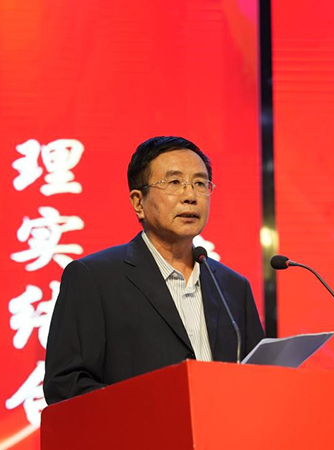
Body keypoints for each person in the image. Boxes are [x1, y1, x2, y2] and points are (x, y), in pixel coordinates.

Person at [43, 136, 264, 404]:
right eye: (174, 182)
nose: (190, 196)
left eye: (200, 183)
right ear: (139, 203)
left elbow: (258, 377)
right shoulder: (94, 278)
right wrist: (148, 410)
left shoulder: (233, 287)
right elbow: (66, 385)